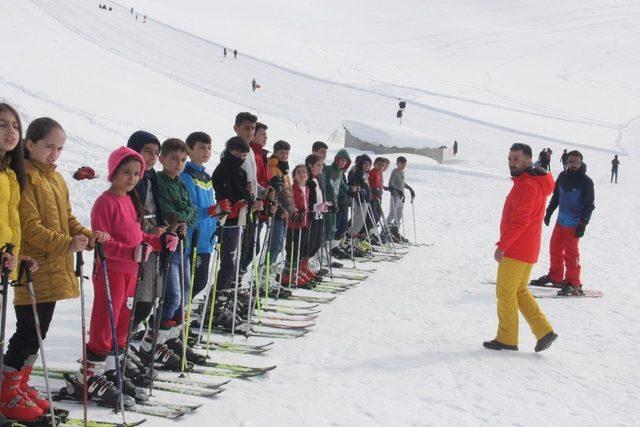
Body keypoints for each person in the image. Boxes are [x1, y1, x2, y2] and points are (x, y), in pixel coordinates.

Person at [2, 117, 109, 420]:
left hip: (51, 268)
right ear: (30, 143)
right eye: (49, 146)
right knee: (27, 332)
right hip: (32, 267)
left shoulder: (55, 179)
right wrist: (67, 244)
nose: (54, 153)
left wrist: (87, 237)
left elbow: (67, 220)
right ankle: (8, 390)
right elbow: (30, 228)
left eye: (59, 148)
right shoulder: (23, 177)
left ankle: (18, 384)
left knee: (39, 331)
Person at [69, 146, 176, 407]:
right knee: (105, 324)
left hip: (132, 274)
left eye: (137, 173)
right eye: (126, 172)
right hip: (111, 273)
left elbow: (139, 237)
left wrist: (160, 241)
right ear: (113, 173)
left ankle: (109, 372)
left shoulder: (130, 200)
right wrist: (132, 252)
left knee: (122, 325)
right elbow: (103, 243)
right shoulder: (105, 202)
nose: (132, 178)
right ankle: (87, 377)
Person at [484, 143, 557, 353]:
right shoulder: (531, 182)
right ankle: (544, 331)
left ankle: (507, 338)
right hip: (528, 248)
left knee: (505, 292)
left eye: (516, 159)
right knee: (519, 291)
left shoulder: (527, 185)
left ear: (528, 160)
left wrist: (503, 246)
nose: (511, 163)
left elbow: (520, 222)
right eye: (509, 159)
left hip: (517, 248)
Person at [0, 104, 41, 422]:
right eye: (2, 124)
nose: (10, 131)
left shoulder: (11, 173)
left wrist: (16, 255)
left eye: (15, 125)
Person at [155, 138, 200, 364]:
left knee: (185, 291)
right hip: (168, 244)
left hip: (183, 242)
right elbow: (169, 212)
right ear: (162, 158)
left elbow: (192, 212)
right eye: (173, 159)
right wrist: (180, 218)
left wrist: (184, 217)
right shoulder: (160, 182)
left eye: (182, 160)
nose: (178, 164)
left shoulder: (181, 183)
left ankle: (172, 338)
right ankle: (156, 341)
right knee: (172, 295)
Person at [534, 150, 595, 295]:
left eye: (577, 162)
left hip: (574, 224)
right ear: (566, 162)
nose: (574, 164)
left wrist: (583, 224)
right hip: (560, 222)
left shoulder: (586, 182)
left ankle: (573, 283)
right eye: (571, 161)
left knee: (571, 254)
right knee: (554, 248)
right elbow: (556, 196)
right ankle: (556, 277)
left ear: (581, 163)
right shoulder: (562, 176)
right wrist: (549, 212)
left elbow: (589, 205)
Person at [266, 140, 294, 275]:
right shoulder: (273, 167)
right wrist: (282, 210)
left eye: (287, 153)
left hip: (285, 212)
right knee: (275, 244)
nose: (284, 155)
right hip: (276, 211)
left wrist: (290, 209)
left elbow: (287, 192)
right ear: (275, 152)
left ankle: (270, 270)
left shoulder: (284, 168)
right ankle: (265, 270)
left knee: (279, 245)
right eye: (281, 152)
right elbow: (275, 193)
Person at [281, 164, 310, 287]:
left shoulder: (306, 189)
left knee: (300, 247)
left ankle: (296, 270)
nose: (302, 174)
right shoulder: (293, 189)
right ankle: (288, 272)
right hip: (293, 224)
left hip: (303, 222)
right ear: (294, 176)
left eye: (304, 172)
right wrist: (295, 211)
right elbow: (289, 203)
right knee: (292, 247)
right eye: (299, 173)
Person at [324, 149, 350, 257]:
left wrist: (349, 190)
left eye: (345, 161)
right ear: (336, 159)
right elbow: (324, 182)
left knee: (332, 228)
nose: (342, 162)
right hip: (327, 202)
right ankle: (322, 252)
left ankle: (329, 250)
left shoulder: (340, 172)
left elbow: (341, 185)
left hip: (335, 203)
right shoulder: (329, 169)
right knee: (326, 228)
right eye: (341, 160)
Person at [386, 156, 414, 242]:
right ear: (397, 163)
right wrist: (397, 190)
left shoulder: (402, 172)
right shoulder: (395, 172)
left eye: (404, 164)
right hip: (395, 196)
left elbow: (401, 183)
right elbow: (390, 184)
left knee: (399, 214)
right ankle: (385, 231)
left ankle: (394, 231)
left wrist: (409, 188)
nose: (403, 166)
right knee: (392, 214)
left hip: (401, 197)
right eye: (401, 164)